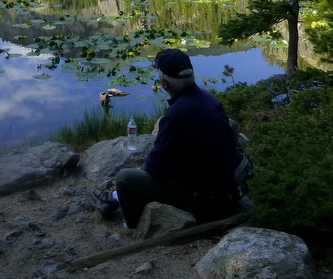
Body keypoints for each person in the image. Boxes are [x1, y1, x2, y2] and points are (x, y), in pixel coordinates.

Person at [91, 48, 243, 228]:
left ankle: (132, 223)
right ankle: (114, 197)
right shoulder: (208, 99)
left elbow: (155, 167)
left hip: (204, 198)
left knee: (125, 178)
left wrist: (143, 171)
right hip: (224, 188)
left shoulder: (176, 114)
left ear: (165, 83)